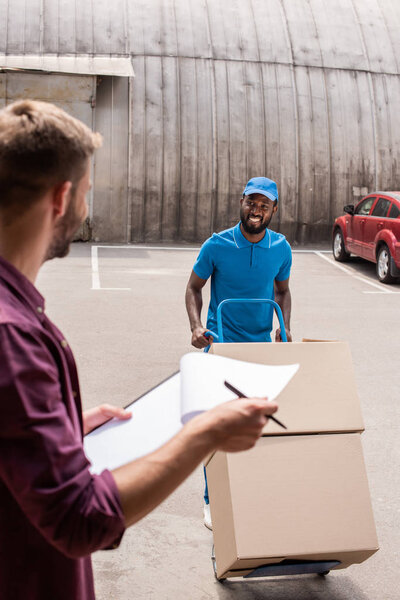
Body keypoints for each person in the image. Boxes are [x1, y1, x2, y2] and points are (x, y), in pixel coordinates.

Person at [0, 100, 279, 600]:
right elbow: (80, 520)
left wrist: (58, 429)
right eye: (87, 192)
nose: (88, 206)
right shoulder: (12, 336)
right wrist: (202, 435)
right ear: (62, 198)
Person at [185, 176, 292, 528]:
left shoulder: (280, 248)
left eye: (264, 205)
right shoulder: (217, 245)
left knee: (258, 426)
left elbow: (282, 291)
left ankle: (251, 494)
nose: (256, 210)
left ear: (274, 209)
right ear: (241, 202)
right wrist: (197, 327)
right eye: (251, 202)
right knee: (219, 426)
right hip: (222, 345)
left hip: (261, 349)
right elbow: (193, 288)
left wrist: (284, 327)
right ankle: (211, 501)